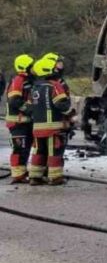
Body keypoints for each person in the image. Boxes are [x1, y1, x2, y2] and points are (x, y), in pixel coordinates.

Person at [27, 53, 72, 186]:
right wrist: (69, 111)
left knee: (39, 151)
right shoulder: (55, 85)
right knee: (54, 152)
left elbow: (29, 107)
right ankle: (55, 177)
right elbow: (61, 104)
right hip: (53, 128)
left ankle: (35, 177)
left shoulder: (35, 87)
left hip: (37, 128)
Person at [5, 54, 35, 184]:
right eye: (31, 66)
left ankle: (21, 172)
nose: (33, 68)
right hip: (17, 123)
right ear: (25, 67)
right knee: (19, 149)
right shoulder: (18, 80)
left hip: (25, 122)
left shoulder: (28, 81)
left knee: (26, 148)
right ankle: (18, 175)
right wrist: (28, 108)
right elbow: (14, 100)